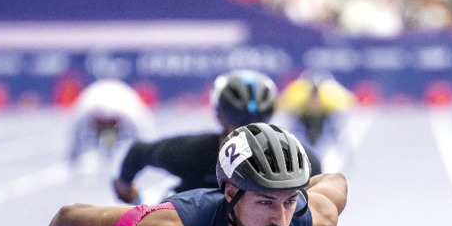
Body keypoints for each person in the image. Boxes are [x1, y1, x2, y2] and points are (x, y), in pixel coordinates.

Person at [25, 122, 347, 226]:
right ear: (232, 192)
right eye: (265, 201)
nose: (280, 218)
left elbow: (336, 184)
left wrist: (297, 192)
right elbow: (71, 220)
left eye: (289, 201)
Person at [111, 70, 319, 204]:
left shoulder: (189, 152)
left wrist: (127, 188)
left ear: (219, 117)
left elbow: (138, 152)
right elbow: (317, 183)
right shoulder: (299, 157)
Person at [68, 79, 153, 170]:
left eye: (110, 123)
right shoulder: (86, 109)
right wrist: (74, 153)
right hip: (101, 111)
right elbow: (74, 129)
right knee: (108, 143)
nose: (107, 128)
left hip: (118, 111)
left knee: (108, 143)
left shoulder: (130, 112)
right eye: (103, 123)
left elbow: (144, 129)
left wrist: (147, 154)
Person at [276, 70, 357, 150]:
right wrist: (293, 111)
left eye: (316, 96)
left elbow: (350, 102)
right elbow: (282, 104)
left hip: (325, 116)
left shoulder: (331, 97)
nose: (314, 100)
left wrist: (336, 113)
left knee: (335, 129)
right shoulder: (298, 96)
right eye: (312, 96)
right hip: (304, 117)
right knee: (291, 128)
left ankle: (342, 149)